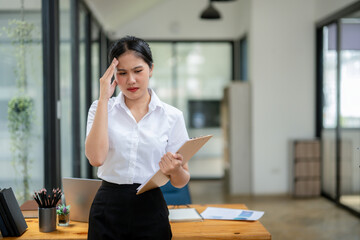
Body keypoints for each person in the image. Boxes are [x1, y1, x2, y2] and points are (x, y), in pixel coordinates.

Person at [85, 35, 190, 240]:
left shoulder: (172, 116)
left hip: (150, 209)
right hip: (107, 208)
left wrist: (175, 169)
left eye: (138, 71)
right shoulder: (100, 108)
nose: (130, 80)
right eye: (122, 73)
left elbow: (181, 181)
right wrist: (104, 97)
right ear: (112, 75)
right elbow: (96, 159)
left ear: (150, 69)